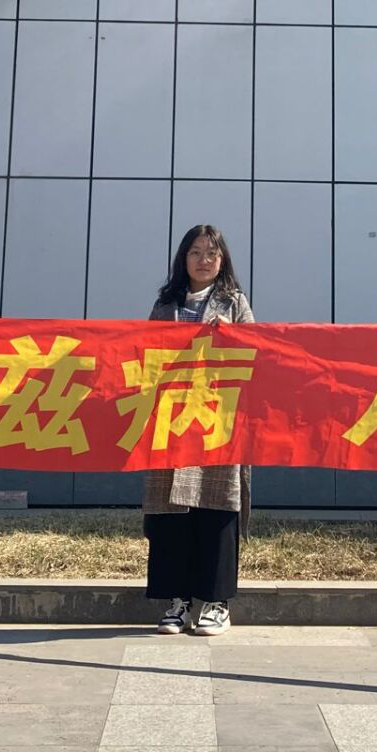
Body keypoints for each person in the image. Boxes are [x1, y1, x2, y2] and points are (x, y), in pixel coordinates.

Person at [143, 225, 255, 636]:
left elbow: (256, 353)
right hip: (172, 421)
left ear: (222, 261)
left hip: (215, 421)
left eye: (211, 253)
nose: (203, 260)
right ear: (183, 259)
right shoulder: (166, 304)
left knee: (216, 506)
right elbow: (145, 356)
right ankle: (177, 601)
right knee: (171, 511)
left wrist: (232, 335)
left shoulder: (234, 302)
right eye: (195, 252)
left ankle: (216, 603)